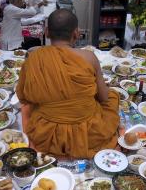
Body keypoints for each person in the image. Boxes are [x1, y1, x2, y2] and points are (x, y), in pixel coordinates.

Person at [16, 9, 120, 159]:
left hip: (46, 132)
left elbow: (25, 97)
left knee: (32, 108)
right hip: (88, 132)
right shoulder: (89, 57)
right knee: (113, 96)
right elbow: (104, 98)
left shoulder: (33, 58)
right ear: (76, 34)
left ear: (46, 32)